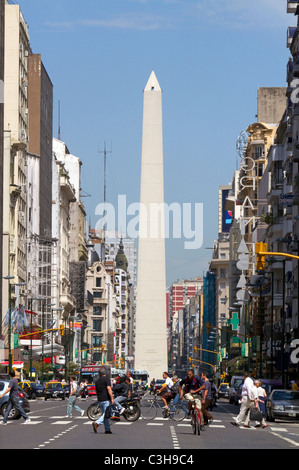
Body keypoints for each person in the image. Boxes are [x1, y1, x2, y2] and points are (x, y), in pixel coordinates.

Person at [92, 367, 114, 434]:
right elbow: (108, 388)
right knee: (106, 414)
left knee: (105, 414)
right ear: (105, 373)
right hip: (106, 399)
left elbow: (97, 390)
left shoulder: (97, 381)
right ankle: (97, 423)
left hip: (100, 399)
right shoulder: (106, 379)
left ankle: (107, 429)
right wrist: (112, 398)